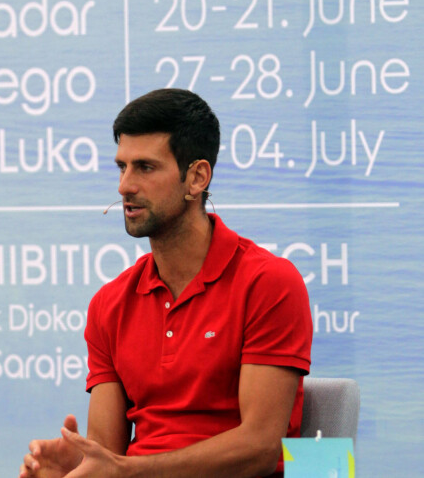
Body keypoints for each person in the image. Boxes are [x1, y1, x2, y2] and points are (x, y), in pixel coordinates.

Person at [19, 88, 313, 478]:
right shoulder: (109, 303)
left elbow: (259, 447)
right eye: (121, 167)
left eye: (145, 167)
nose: (125, 185)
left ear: (196, 177)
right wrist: (73, 468)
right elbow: (107, 453)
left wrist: (127, 471)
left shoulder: (269, 283)